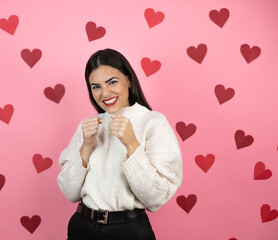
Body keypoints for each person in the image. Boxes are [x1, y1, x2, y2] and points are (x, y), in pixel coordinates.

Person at [57, 48, 183, 240]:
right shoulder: (89, 126)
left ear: (129, 80)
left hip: (128, 231)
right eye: (96, 86)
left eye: (112, 82)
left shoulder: (153, 122)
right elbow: (69, 192)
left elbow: (156, 199)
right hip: (81, 228)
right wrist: (85, 147)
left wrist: (132, 145)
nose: (104, 93)